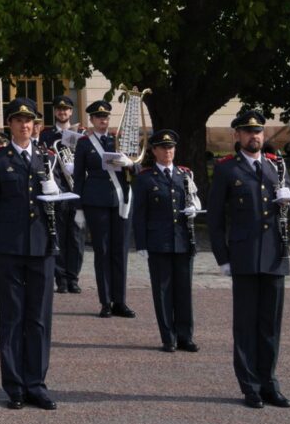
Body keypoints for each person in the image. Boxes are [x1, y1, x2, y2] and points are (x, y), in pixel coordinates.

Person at [0, 102, 64, 409]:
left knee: (39, 318)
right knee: (12, 317)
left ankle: (36, 383)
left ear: (36, 125)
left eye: (29, 121)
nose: (25, 126)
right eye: (19, 121)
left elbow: (62, 203)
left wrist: (57, 191)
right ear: (10, 124)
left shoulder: (48, 158)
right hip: (9, 247)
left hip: (42, 247)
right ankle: (14, 385)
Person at [209, 109, 290, 408]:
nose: (253, 136)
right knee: (245, 325)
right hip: (244, 256)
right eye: (247, 131)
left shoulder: (276, 166)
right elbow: (216, 219)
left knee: (270, 325)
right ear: (237, 136)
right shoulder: (226, 170)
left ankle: (269, 383)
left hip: (274, 255)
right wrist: (223, 258)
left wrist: (288, 200)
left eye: (258, 131)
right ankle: (250, 386)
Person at [129, 129, 202, 355]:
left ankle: (185, 336)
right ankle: (168, 337)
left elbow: (194, 200)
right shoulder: (145, 178)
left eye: (170, 147)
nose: (167, 151)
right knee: (163, 292)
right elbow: (139, 213)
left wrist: (195, 209)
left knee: (183, 291)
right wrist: (141, 243)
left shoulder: (184, 175)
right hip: (158, 241)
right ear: (154, 151)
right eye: (163, 147)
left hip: (182, 240)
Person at [72, 99, 135, 319]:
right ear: (92, 120)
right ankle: (105, 301)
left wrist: (130, 164)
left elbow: (136, 167)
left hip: (120, 200)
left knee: (120, 252)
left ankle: (121, 301)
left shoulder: (119, 140)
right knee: (103, 251)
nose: (103, 121)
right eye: (99, 117)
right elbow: (78, 177)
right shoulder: (84, 143)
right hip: (95, 201)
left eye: (106, 117)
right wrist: (78, 207)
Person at [45, 96, 85, 294]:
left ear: (71, 112)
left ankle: (73, 278)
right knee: (58, 237)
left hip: (76, 193)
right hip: (58, 194)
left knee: (76, 239)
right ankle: (60, 279)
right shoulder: (47, 136)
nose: (62, 112)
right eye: (59, 109)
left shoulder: (81, 135)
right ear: (55, 112)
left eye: (66, 109)